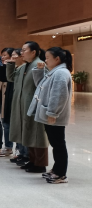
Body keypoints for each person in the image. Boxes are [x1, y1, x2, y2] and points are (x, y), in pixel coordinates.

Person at [28, 47, 73, 184]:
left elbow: (58, 95)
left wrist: (53, 113)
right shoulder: (55, 72)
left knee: (58, 144)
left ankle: (61, 174)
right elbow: (41, 86)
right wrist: (40, 71)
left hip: (55, 115)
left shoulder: (60, 73)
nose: (45, 60)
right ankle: (56, 169)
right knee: (55, 143)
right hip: (51, 114)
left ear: (57, 59)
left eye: (47, 58)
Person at [7, 41, 49, 174]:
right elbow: (11, 78)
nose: (21, 53)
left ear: (33, 52)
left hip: (35, 105)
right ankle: (32, 160)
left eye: (24, 50)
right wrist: (11, 64)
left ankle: (40, 164)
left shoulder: (40, 65)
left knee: (38, 135)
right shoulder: (24, 66)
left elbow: (44, 86)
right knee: (28, 133)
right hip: (23, 105)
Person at [6, 49, 29, 165]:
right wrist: (10, 65)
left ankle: (26, 154)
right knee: (17, 128)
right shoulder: (19, 68)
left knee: (23, 129)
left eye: (15, 55)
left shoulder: (27, 68)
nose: (12, 57)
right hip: (15, 100)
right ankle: (21, 153)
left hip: (23, 102)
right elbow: (10, 78)